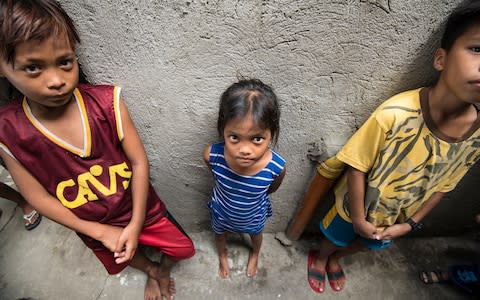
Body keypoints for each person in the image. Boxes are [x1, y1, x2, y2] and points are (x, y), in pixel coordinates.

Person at [0, 1, 195, 299]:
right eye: (33, 67)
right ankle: (152, 271)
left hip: (142, 209)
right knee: (123, 259)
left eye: (65, 61)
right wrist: (99, 232)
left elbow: (139, 162)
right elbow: (36, 197)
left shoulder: (107, 103)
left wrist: (136, 222)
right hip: (93, 225)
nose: (56, 81)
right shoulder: (9, 132)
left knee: (183, 248)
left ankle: (163, 267)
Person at [305, 0, 480, 294]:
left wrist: (411, 225)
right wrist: (359, 218)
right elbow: (357, 164)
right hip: (354, 208)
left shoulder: (477, 136)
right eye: (477, 49)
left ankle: (337, 258)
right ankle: (322, 256)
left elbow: (445, 185)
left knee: (365, 247)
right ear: (441, 59)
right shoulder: (396, 114)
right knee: (335, 236)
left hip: (394, 219)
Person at [203, 79, 286, 278]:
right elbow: (217, 176)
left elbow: (270, 189)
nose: (245, 150)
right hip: (221, 212)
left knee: (256, 236)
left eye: (257, 139)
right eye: (234, 138)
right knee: (219, 235)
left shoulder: (276, 167)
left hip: (253, 215)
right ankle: (222, 256)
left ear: (271, 134)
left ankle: (255, 254)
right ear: (223, 130)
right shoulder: (212, 156)